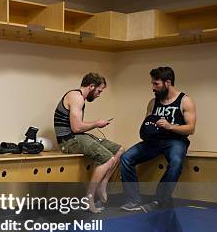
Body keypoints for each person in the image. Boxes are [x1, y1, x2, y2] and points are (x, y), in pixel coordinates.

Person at [120, 66, 196, 212]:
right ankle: (133, 200)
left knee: (176, 162)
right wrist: (146, 131)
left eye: (156, 84)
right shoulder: (153, 102)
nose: (153, 88)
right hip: (154, 141)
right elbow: (146, 125)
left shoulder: (185, 101)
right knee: (126, 157)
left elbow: (190, 128)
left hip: (175, 141)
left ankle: (159, 201)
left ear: (167, 83)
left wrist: (170, 126)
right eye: (152, 84)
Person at [54, 72, 123, 213]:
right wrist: (97, 123)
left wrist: (96, 124)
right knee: (107, 159)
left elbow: (78, 128)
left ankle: (103, 184)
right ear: (91, 86)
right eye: (99, 91)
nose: (99, 95)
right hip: (68, 141)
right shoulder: (76, 97)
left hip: (78, 137)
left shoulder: (80, 98)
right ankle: (89, 198)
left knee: (119, 149)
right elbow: (76, 127)